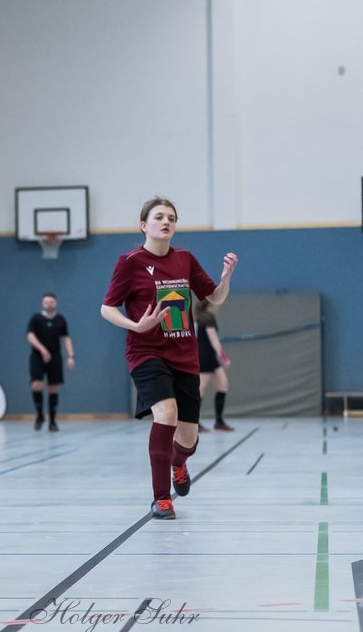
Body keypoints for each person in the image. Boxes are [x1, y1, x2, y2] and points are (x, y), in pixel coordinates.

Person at [100, 197, 238, 519]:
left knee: (188, 440)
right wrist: (136, 325)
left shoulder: (185, 260)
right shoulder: (130, 262)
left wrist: (226, 277)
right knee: (166, 412)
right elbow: (107, 308)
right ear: (143, 225)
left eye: (172, 218)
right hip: (146, 352)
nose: (166, 222)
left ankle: (179, 461)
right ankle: (161, 498)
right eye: (159, 217)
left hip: (184, 356)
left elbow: (213, 298)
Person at [26, 293, 75, 431]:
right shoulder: (36, 319)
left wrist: (70, 355)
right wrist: (42, 350)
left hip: (55, 357)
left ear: (55, 303)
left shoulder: (60, 319)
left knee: (53, 387)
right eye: (46, 302)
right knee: (37, 384)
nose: (49, 304)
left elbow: (66, 338)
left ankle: (52, 421)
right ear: (42, 303)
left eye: (51, 302)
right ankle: (39, 414)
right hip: (38, 356)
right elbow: (30, 336)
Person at [194, 299, 234, 432]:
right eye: (215, 303)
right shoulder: (207, 319)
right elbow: (214, 339)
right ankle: (194, 423)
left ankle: (219, 421)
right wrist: (223, 357)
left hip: (211, 357)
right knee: (200, 390)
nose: (218, 306)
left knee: (223, 385)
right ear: (210, 304)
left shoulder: (205, 317)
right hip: (204, 358)